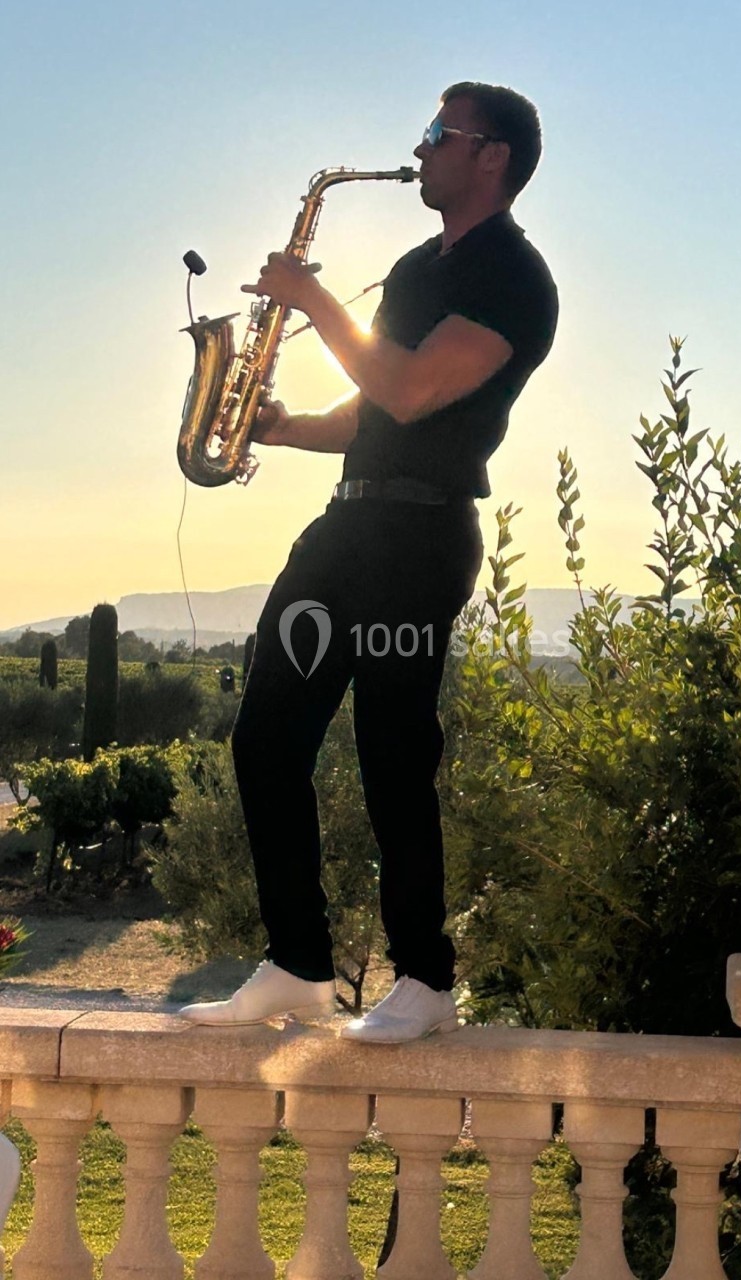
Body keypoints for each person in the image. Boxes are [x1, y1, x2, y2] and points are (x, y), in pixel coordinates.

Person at [179, 81, 559, 1042]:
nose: (421, 146)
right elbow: (369, 410)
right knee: (265, 740)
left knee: (393, 751)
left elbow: (416, 388)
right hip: (346, 528)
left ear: (492, 158)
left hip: (422, 538)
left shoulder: (516, 278)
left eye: (441, 133)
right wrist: (280, 423)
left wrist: (309, 296)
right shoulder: (411, 266)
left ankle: (426, 978)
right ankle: (298, 964)